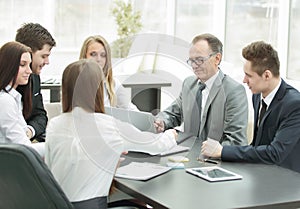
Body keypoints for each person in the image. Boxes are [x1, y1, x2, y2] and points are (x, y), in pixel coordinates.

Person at [44, 59, 177, 209]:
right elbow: (157, 145)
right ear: (99, 90)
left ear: (65, 90)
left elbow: (50, 171)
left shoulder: (55, 124)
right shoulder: (109, 126)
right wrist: (171, 134)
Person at [201, 41, 300, 173]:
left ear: (266, 75)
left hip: (287, 181)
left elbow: (275, 153)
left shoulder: (294, 104)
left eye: (249, 75)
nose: (244, 80)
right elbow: (257, 145)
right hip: (262, 173)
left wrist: (223, 151)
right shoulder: (257, 95)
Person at [155, 33, 248, 147]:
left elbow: (235, 141)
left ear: (217, 59)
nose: (194, 66)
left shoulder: (234, 91)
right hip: (187, 155)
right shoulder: (188, 84)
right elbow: (173, 113)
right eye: (191, 61)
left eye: (199, 60)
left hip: (215, 161)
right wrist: (162, 122)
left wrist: (213, 152)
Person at [0, 41, 44, 157]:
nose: (29, 71)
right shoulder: (5, 101)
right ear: (8, 65)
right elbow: (23, 147)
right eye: (22, 64)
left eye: (29, 65)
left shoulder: (13, 98)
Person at [15, 23, 56, 142]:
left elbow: (40, 116)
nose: (47, 62)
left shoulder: (35, 78)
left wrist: (29, 131)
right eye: (44, 56)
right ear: (27, 52)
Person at [79, 35, 138, 110]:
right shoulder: (74, 83)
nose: (98, 59)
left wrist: (151, 120)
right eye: (93, 54)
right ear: (84, 56)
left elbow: (131, 110)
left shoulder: (113, 84)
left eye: (103, 55)